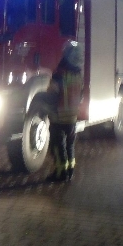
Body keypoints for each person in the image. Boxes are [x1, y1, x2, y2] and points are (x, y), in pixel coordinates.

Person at [46, 41, 84, 183]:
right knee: (70, 145)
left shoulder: (60, 74)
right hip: (72, 117)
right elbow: (80, 95)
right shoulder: (78, 74)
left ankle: (60, 174)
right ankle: (70, 171)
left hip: (59, 117)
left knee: (57, 147)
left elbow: (52, 94)